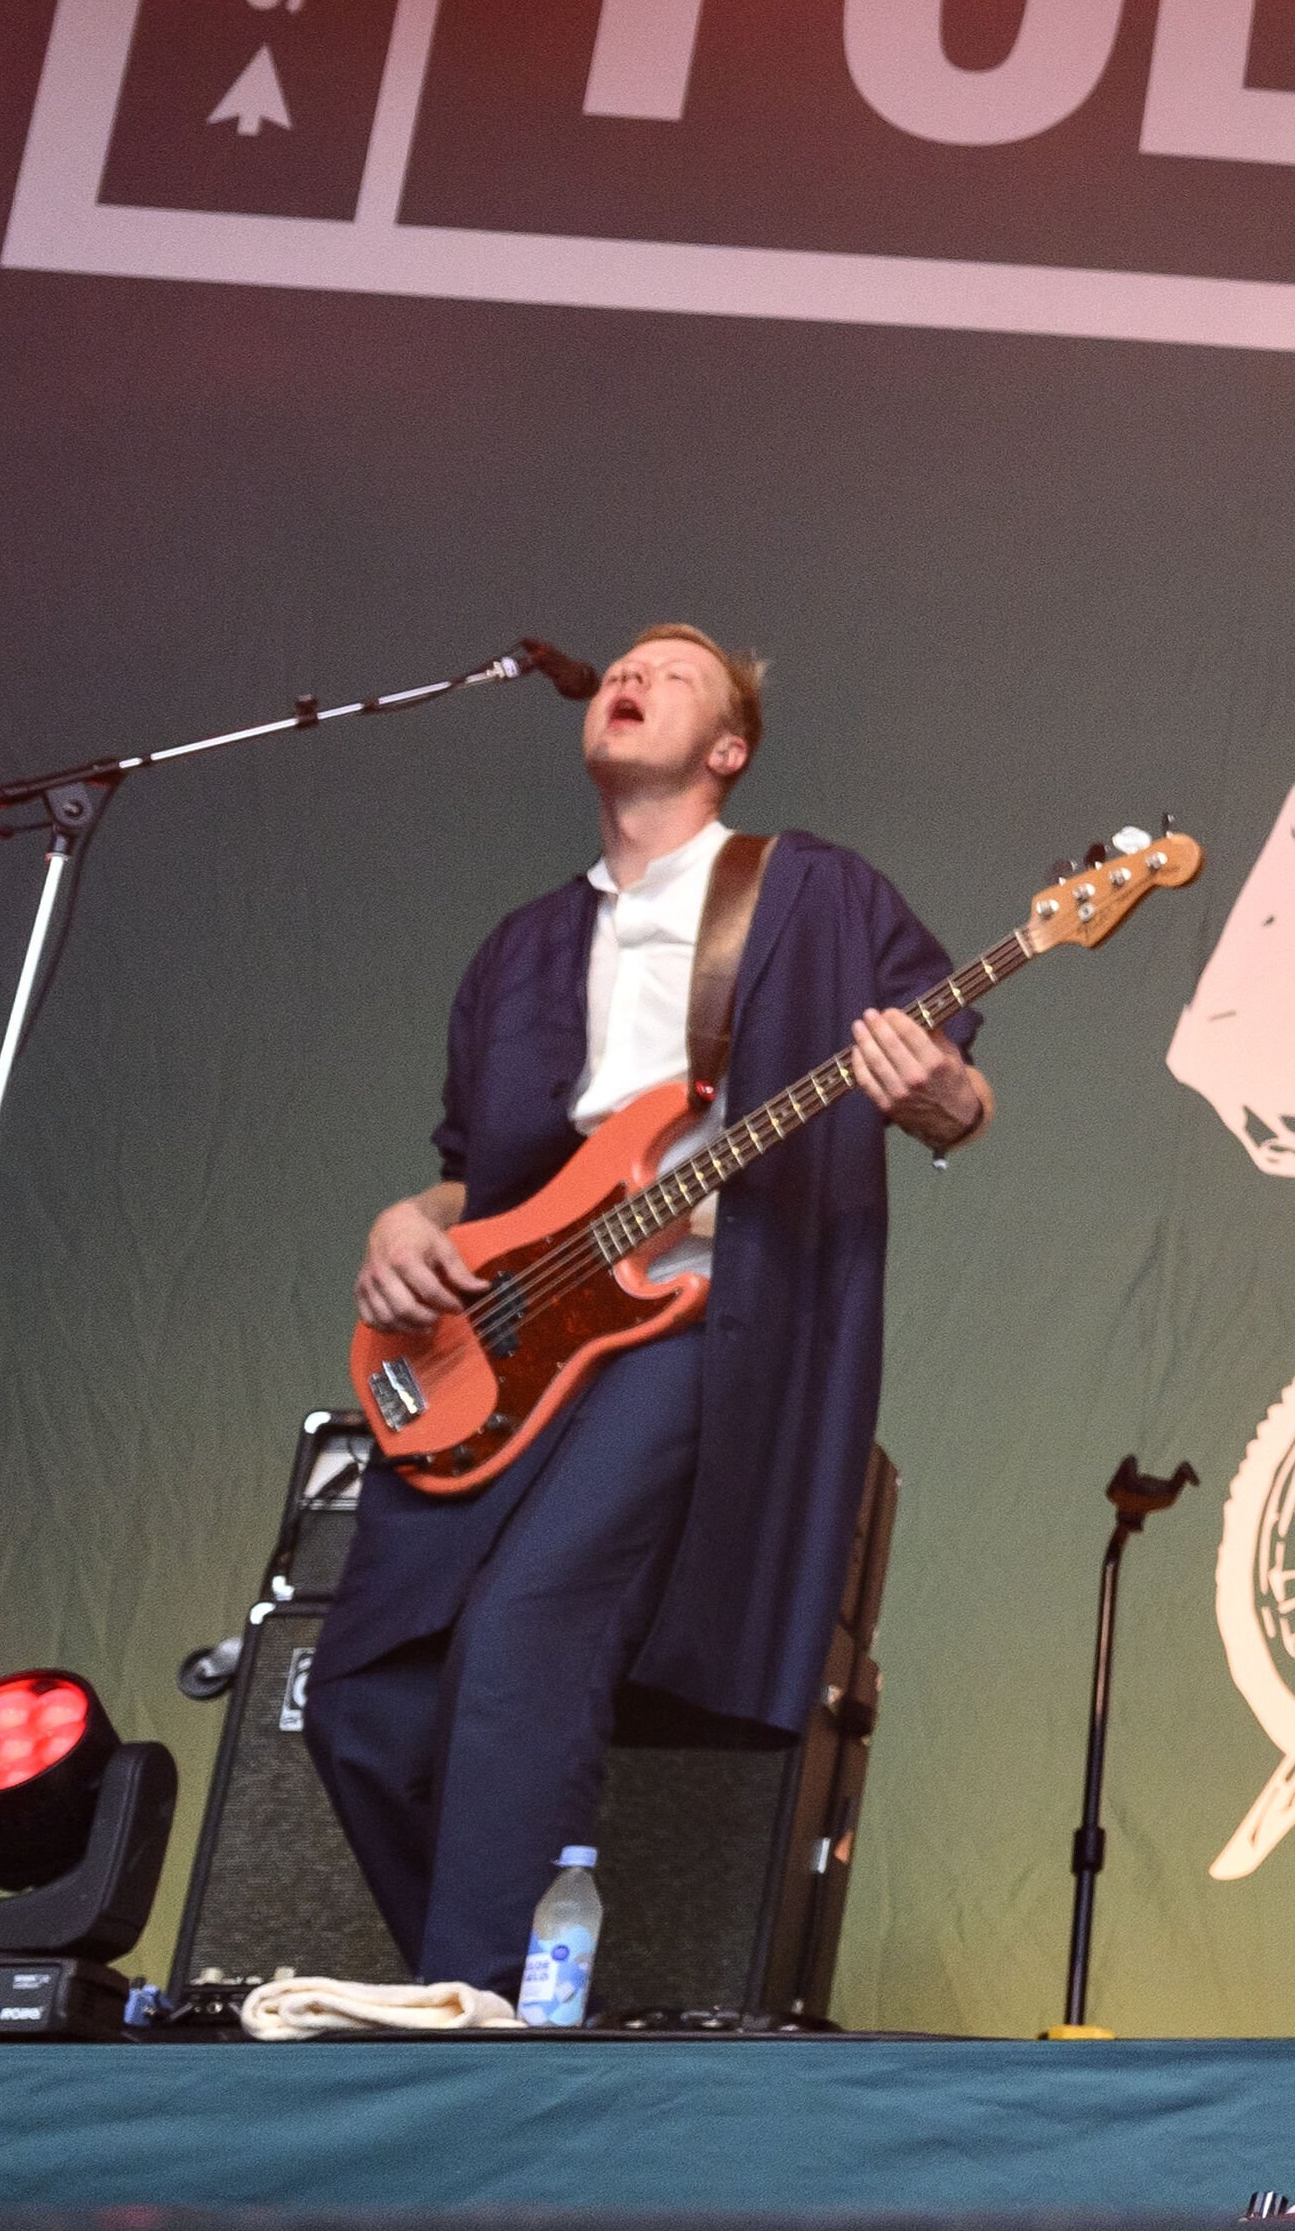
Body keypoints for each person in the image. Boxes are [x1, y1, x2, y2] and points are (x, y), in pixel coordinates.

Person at [305, 623, 989, 1992]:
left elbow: (956, 1093)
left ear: (729, 749)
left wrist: (938, 1100)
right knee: (360, 1694)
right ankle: (495, 1980)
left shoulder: (813, 892)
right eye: (622, 667)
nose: (630, 677)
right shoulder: (520, 948)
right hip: (505, 1332)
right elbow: (470, 1180)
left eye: (674, 675)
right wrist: (402, 1228)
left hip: (692, 1320)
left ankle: (481, 2020)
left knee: (527, 1632)